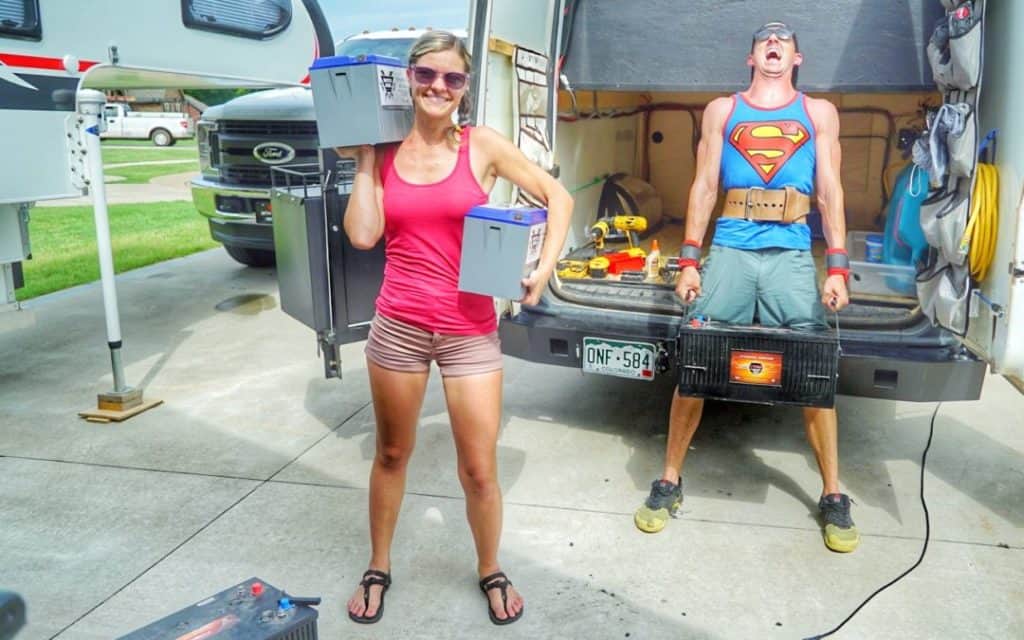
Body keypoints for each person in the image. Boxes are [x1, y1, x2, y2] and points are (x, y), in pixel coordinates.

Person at [338, 30, 573, 624]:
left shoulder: (482, 146)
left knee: (478, 467)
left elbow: (556, 196)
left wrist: (542, 271)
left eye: (453, 78)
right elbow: (363, 235)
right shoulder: (383, 148)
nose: (439, 87)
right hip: (399, 325)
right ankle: (379, 564)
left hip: (469, 328)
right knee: (392, 453)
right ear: (407, 79)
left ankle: (490, 567)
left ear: (465, 88)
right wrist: (366, 157)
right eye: (427, 75)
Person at [633, 22, 860, 553]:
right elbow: (705, 185)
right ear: (751, 57)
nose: (773, 47)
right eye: (764, 42)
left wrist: (837, 267)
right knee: (696, 362)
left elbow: (830, 192)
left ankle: (832, 492)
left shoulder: (818, 113)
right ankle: (669, 480)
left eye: (782, 42)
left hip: (791, 255)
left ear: (796, 56)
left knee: (814, 370)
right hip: (731, 251)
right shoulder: (722, 111)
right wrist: (689, 260)